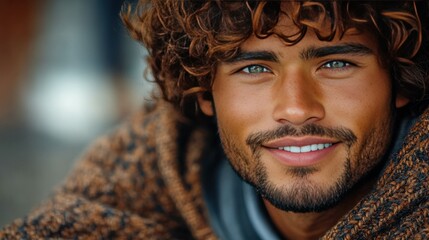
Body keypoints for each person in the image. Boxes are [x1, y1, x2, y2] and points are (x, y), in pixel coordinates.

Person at [1, 0, 428, 239]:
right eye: (255, 69)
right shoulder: (134, 176)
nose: (296, 108)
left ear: (403, 79)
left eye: (335, 65)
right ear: (205, 92)